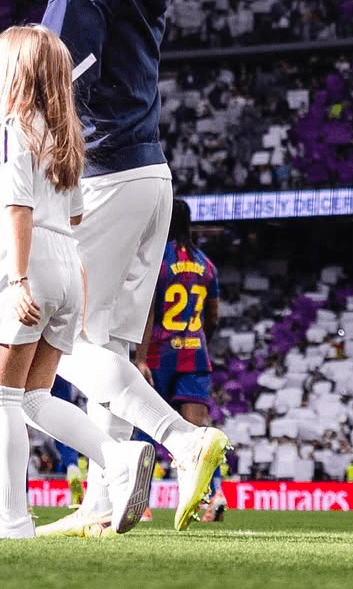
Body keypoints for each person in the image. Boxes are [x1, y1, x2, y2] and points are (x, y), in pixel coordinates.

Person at [36, 0, 229, 535]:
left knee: (59, 343)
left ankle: (183, 442)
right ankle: (104, 496)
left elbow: (55, 76)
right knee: (108, 349)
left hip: (107, 172)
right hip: (151, 174)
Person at [0, 25, 155, 540]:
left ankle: (12, 517)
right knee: (33, 398)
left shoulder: (9, 126)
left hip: (24, 259)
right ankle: (117, 455)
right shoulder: (65, 134)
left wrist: (17, 277)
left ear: (14, 73)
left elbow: (16, 208)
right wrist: (75, 289)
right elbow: (74, 220)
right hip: (66, 261)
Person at [134, 199, 225, 523]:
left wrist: (141, 358)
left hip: (160, 354)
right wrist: (200, 343)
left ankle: (140, 503)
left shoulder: (158, 260)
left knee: (146, 429)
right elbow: (213, 316)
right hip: (195, 352)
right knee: (196, 434)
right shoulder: (206, 264)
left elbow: (148, 310)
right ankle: (213, 497)